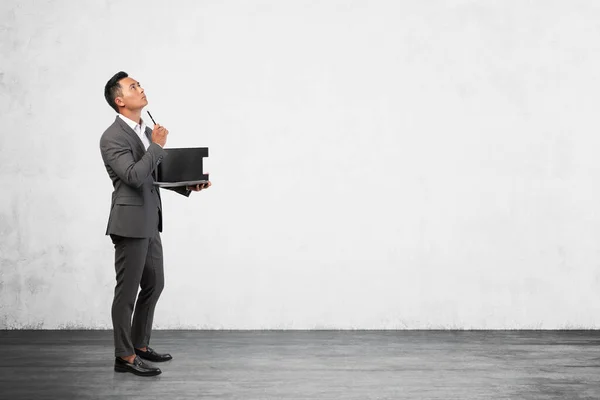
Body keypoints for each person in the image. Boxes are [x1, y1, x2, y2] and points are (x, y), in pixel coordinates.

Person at [99, 71, 211, 376]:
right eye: (133, 86)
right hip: (129, 223)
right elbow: (134, 176)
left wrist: (188, 185)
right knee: (127, 292)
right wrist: (158, 145)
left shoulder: (145, 132)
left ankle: (139, 345)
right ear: (120, 101)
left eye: (139, 84)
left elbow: (155, 175)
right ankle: (124, 356)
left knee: (154, 283)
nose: (141, 88)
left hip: (150, 220)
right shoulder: (111, 138)